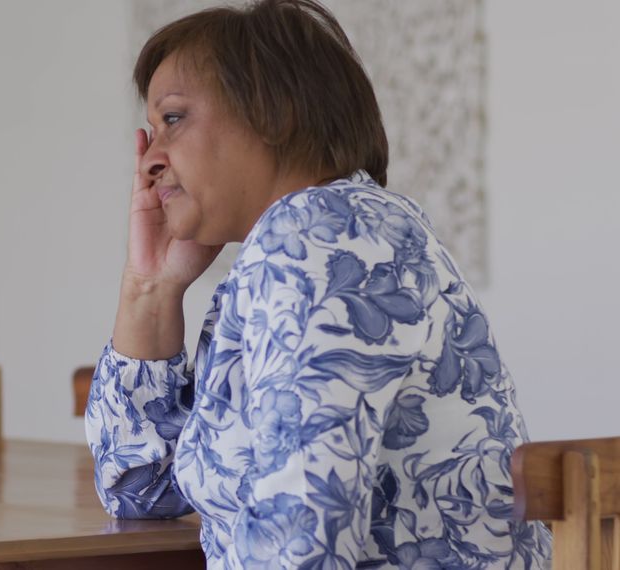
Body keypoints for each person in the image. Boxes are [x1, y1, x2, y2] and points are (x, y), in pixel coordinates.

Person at [83, 1, 552, 568]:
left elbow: (301, 547)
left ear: (274, 114)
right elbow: (139, 490)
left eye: (174, 119)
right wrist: (149, 288)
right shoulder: (317, 235)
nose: (150, 158)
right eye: (151, 131)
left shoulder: (320, 240)